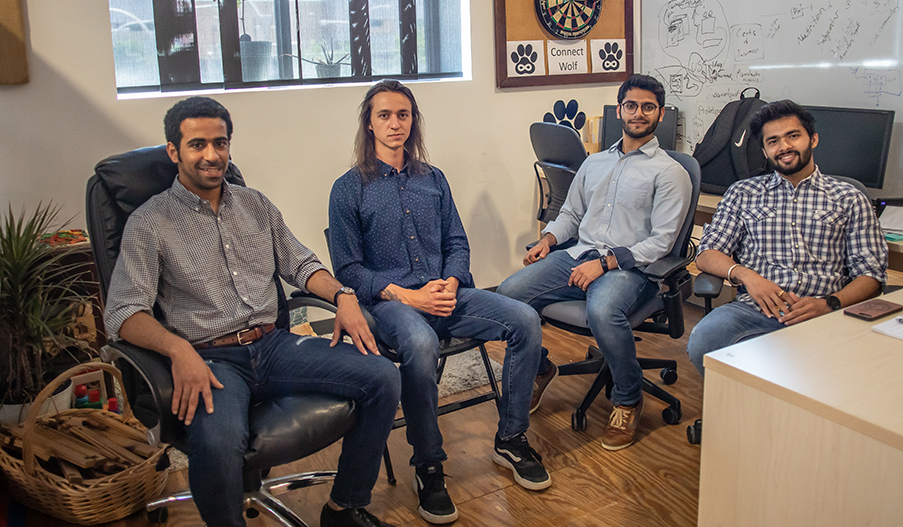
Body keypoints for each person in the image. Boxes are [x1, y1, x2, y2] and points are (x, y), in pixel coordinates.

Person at [103, 97, 400, 527]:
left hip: (274, 345)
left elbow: (301, 264)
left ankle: (344, 508)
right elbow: (124, 312)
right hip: (209, 359)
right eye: (197, 144)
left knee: (383, 377)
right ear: (174, 151)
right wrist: (177, 350)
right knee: (219, 441)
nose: (212, 155)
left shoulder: (254, 205)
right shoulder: (150, 223)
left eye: (220, 143)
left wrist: (343, 296)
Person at [327, 80, 550, 525]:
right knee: (421, 346)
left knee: (525, 320)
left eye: (403, 115)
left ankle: (511, 437)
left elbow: (457, 243)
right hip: (393, 304)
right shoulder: (349, 188)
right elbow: (349, 270)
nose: (396, 124)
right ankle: (428, 465)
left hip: (446, 294)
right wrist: (410, 295)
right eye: (385, 115)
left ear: (413, 120)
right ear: (369, 124)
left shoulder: (433, 178)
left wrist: (450, 282)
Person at [497, 74, 693, 451]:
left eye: (648, 107)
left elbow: (662, 243)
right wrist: (549, 239)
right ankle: (541, 367)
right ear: (619, 110)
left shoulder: (670, 174)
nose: (638, 114)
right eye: (631, 105)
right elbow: (571, 212)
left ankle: (627, 395)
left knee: (603, 312)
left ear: (660, 114)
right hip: (578, 254)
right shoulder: (594, 163)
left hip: (631, 269)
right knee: (508, 295)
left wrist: (605, 264)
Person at [686, 99, 888, 375]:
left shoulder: (849, 198)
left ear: (812, 139)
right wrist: (747, 276)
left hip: (824, 312)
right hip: (756, 309)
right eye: (773, 141)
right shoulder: (743, 193)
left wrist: (829, 304)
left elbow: (872, 275)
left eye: (793, 136)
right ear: (765, 150)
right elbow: (707, 253)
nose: (784, 147)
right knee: (704, 342)